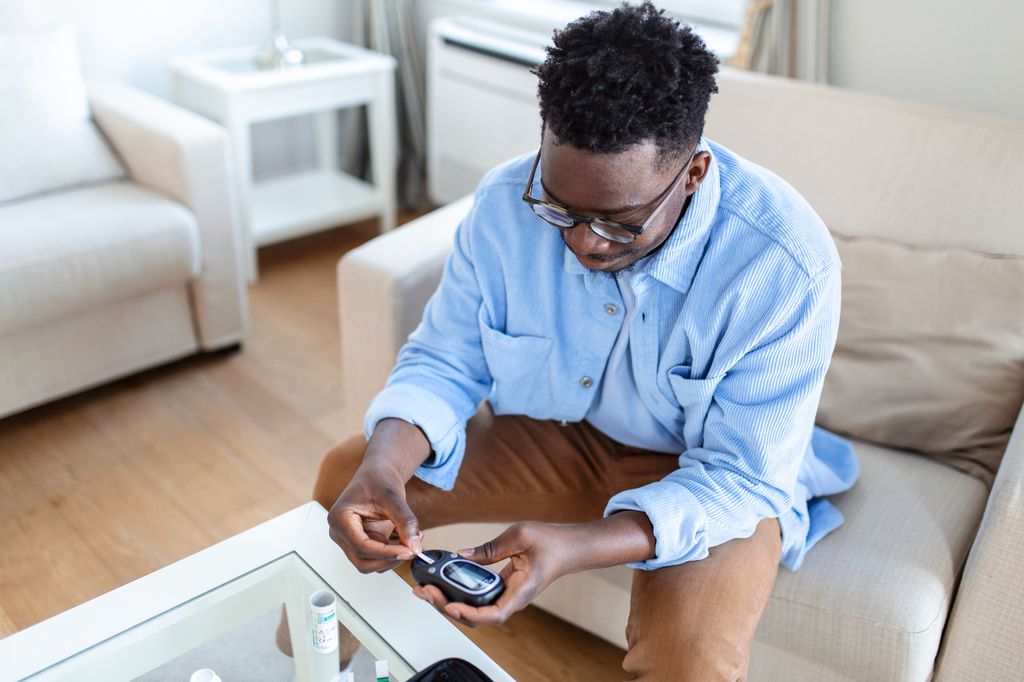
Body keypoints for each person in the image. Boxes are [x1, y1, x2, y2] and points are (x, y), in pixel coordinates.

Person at [279, 2, 858, 679]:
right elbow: (445, 359)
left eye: (618, 223)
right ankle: (304, 669)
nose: (583, 242)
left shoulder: (784, 265)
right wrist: (383, 466)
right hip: (559, 434)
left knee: (690, 661)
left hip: (705, 471)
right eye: (559, 208)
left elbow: (743, 478)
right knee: (348, 475)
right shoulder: (502, 205)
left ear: (693, 174)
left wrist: (577, 545)